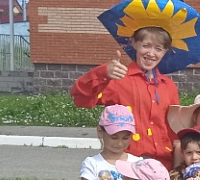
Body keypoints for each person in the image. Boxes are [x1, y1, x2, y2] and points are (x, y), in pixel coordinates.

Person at [71, 27, 179, 168]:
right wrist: (102, 74)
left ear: (165, 51)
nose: (151, 53)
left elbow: (174, 128)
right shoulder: (118, 79)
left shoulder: (169, 86)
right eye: (146, 46)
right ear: (134, 43)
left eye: (158, 49)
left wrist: (178, 164)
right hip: (127, 164)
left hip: (162, 165)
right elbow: (80, 99)